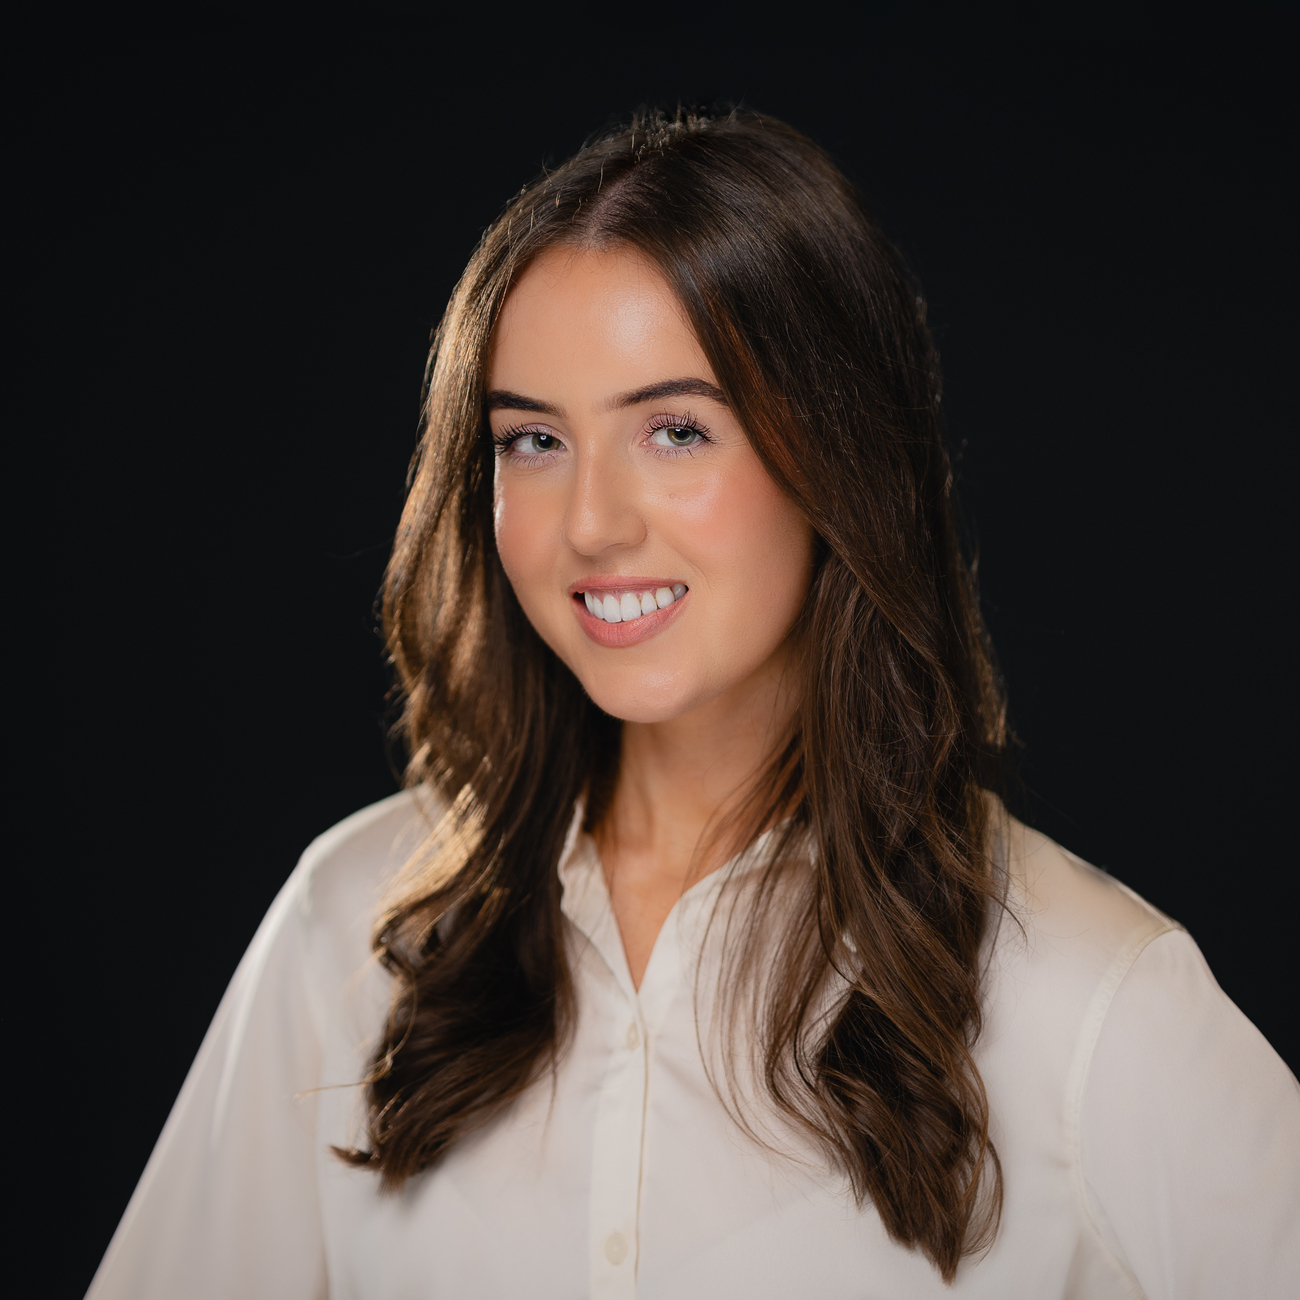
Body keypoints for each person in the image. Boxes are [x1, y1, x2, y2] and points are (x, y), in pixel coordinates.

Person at [88, 108, 1299, 1299]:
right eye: (531, 441)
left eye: (673, 430)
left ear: (836, 458)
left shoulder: (1087, 996)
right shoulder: (351, 933)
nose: (591, 524)